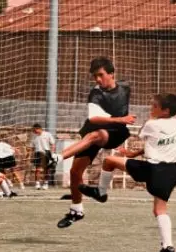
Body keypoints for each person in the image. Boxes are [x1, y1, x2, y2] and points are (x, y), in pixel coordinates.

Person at [79, 93, 176, 252]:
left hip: (153, 169)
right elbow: (157, 143)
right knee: (160, 210)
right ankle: (168, 247)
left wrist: (149, 119)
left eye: (154, 107)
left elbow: (143, 133)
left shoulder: (152, 124)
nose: (151, 109)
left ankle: (101, 192)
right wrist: (132, 153)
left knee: (108, 160)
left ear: (165, 111)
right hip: (171, 172)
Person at [55, 56, 135, 228]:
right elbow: (94, 117)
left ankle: (57, 158)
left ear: (112, 74)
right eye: (94, 76)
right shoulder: (95, 93)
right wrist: (120, 118)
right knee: (75, 172)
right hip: (100, 129)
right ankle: (76, 210)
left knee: (94, 136)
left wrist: (122, 121)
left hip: (115, 134)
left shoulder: (126, 87)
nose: (98, 79)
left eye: (100, 75)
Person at [28, 123, 55, 190]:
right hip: (38, 153)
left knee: (46, 169)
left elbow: (53, 144)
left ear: (39, 129)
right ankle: (37, 184)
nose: (34, 131)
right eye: (33, 130)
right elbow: (32, 147)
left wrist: (52, 153)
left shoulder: (48, 134)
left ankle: (46, 183)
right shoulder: (34, 136)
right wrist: (30, 156)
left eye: (35, 130)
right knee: (37, 169)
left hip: (47, 152)